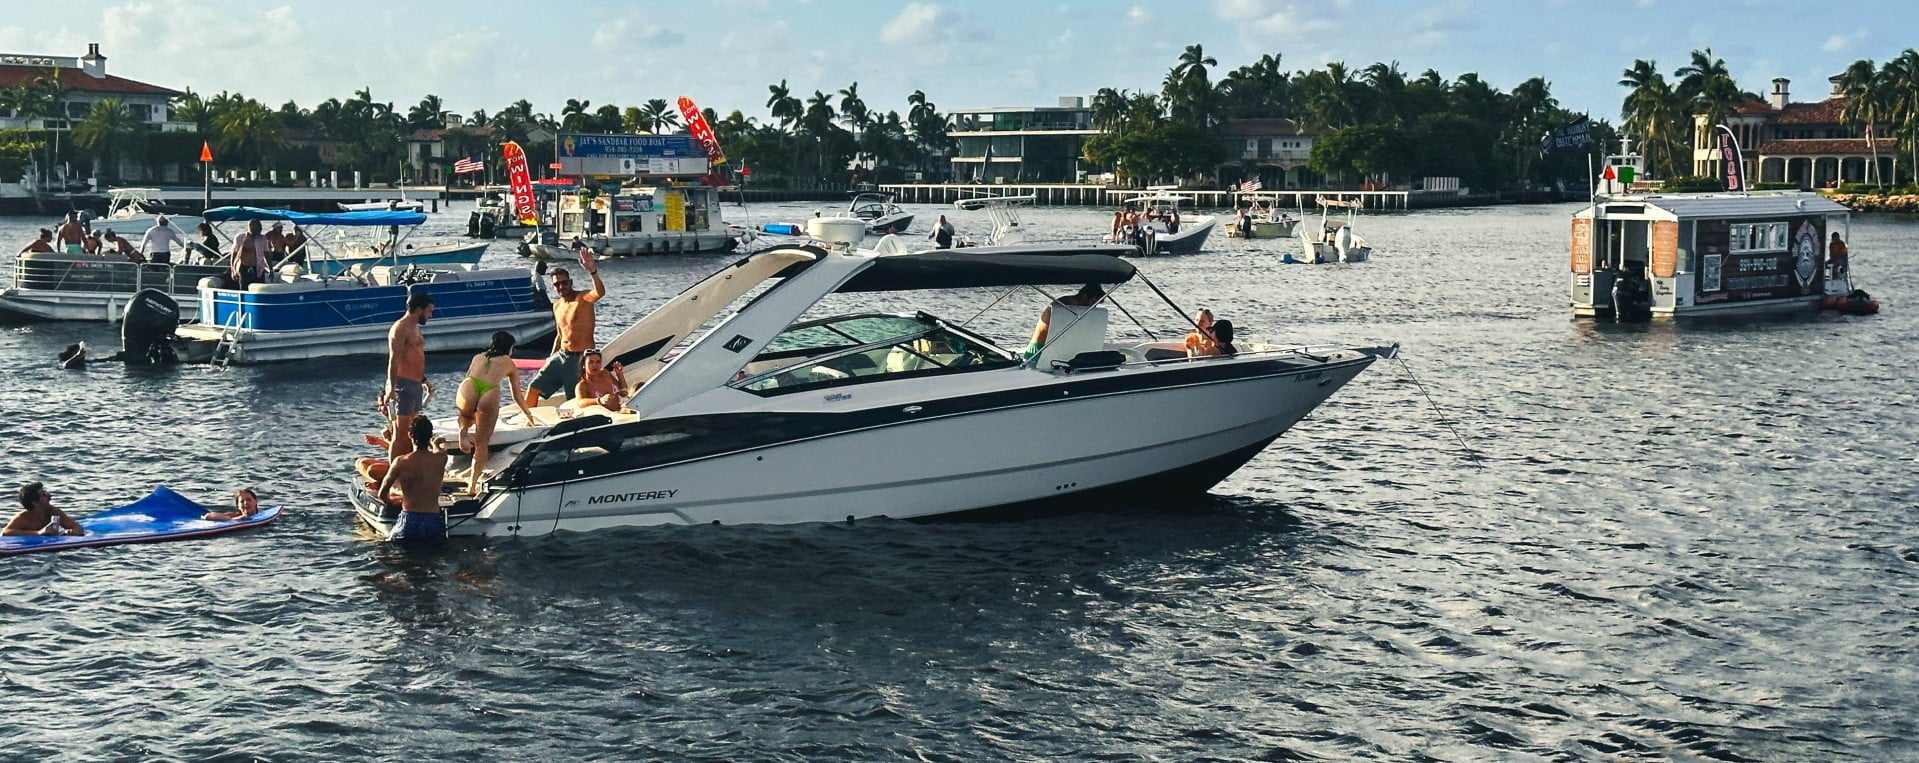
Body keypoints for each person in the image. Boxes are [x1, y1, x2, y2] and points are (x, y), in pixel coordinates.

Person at [455, 331, 541, 496]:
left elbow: (468, 376)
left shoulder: (478, 357)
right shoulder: (508, 362)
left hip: (468, 385)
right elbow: (517, 396)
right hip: (489, 392)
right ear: (509, 347)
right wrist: (529, 416)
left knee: (465, 414)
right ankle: (472, 485)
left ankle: (463, 431)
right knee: (481, 444)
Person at [524, 244, 605, 408]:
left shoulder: (583, 299)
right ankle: (529, 421)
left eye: (564, 283)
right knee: (533, 388)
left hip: (580, 358)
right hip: (561, 356)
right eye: (557, 284)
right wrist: (550, 358)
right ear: (553, 287)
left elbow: (600, 292)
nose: (561, 287)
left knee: (574, 398)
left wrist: (592, 271)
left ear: (571, 282)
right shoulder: (557, 306)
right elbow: (560, 335)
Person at [375, 416, 450, 543]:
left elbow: (382, 493)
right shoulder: (441, 459)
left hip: (409, 518)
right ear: (430, 436)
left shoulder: (400, 462)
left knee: (388, 547)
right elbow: (439, 451)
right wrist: (435, 444)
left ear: (410, 435)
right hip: (432, 520)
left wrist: (391, 501)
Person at [383, 290, 434, 459]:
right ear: (419, 309)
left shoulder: (415, 328)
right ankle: (394, 472)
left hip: (416, 384)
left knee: (413, 430)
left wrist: (424, 380)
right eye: (428, 311)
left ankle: (409, 466)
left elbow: (415, 357)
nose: (430, 315)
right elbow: (394, 359)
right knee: (401, 431)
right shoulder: (400, 328)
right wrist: (390, 388)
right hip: (403, 384)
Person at [1025, 283, 1104, 362]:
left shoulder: (1078, 308)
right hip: (1039, 348)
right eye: (1093, 302)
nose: (1093, 306)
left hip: (1052, 348)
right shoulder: (1066, 305)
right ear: (1084, 296)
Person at [3, 482, 83, 537]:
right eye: (44, 495)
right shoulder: (24, 517)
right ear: (35, 502)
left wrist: (68, 532)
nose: (49, 497)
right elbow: (5, 532)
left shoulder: (54, 512)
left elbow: (77, 528)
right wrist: (38, 533)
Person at [231, 219, 271, 288]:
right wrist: (233, 269)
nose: (260, 229)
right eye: (257, 226)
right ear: (250, 226)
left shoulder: (262, 239)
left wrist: (271, 269)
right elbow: (234, 254)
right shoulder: (240, 237)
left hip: (258, 267)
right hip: (243, 267)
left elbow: (266, 254)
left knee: (259, 287)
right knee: (244, 287)